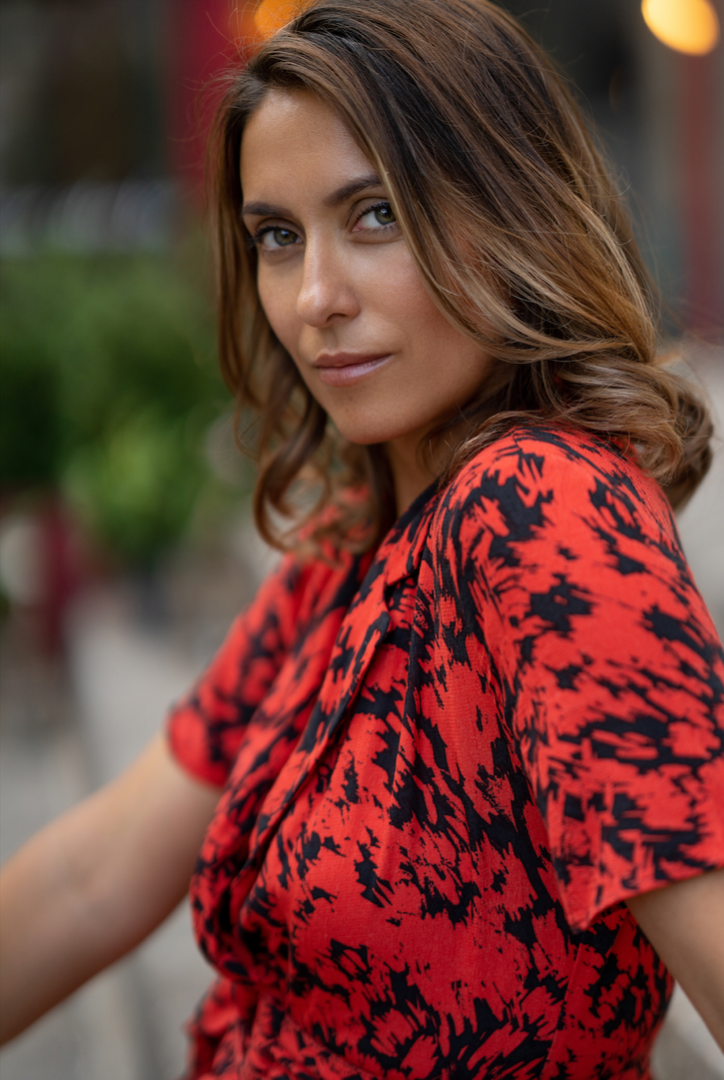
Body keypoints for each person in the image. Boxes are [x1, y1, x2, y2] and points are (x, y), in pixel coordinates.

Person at [1, 1, 723, 1076]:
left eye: (376, 215)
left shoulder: (541, 510)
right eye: (277, 237)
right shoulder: (360, 538)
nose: (314, 299)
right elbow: (92, 879)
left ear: (511, 214)